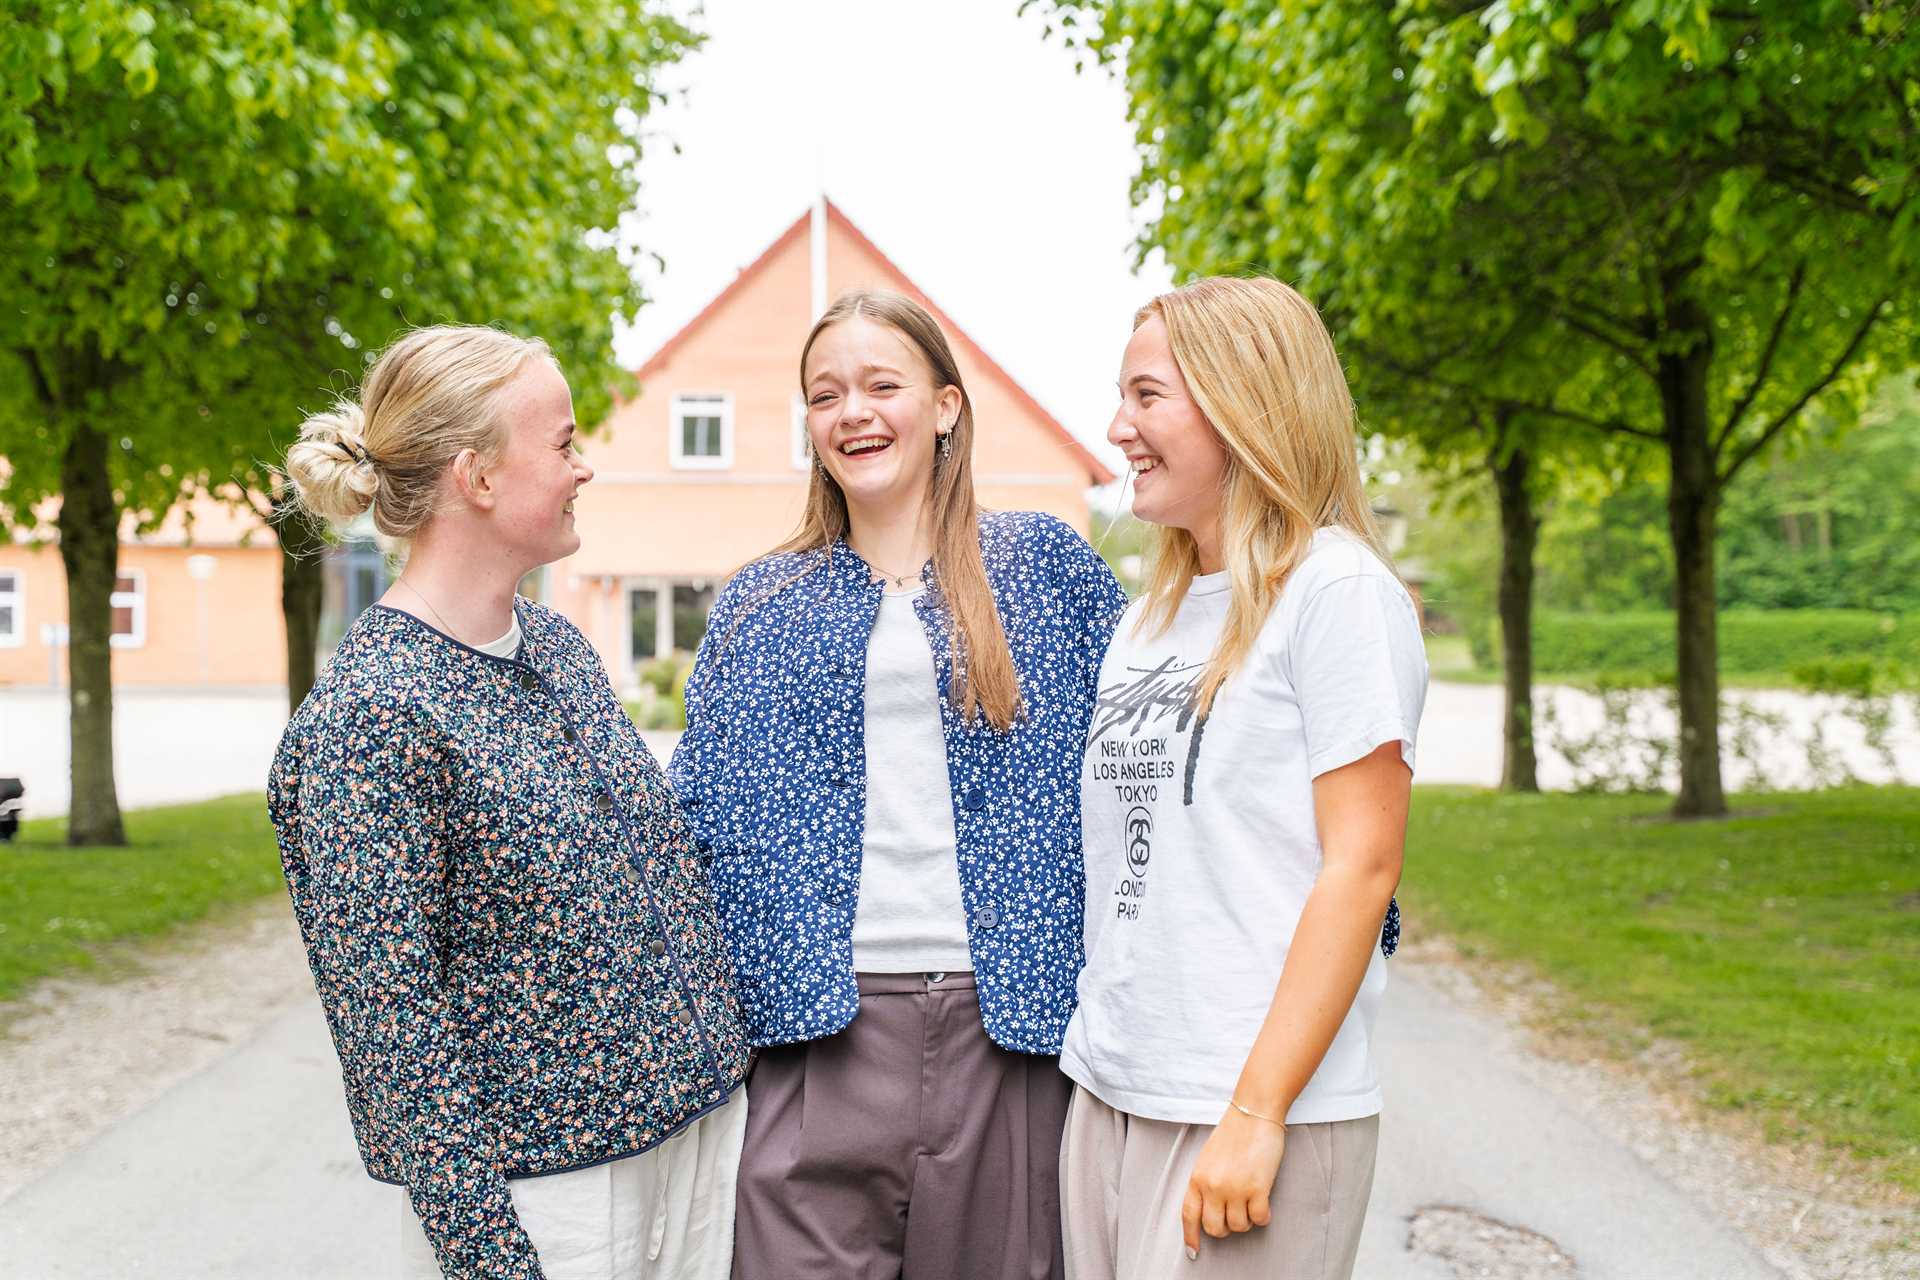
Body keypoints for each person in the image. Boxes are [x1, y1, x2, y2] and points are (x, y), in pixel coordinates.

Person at [267, 324, 750, 1280]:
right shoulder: (373, 714)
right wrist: (488, 1256)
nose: (584, 468)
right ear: (478, 476)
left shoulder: (557, 648)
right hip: (557, 1205)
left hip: (691, 1149)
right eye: (564, 444)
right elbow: (393, 1026)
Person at [668, 289, 1127, 1279]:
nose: (854, 413)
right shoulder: (762, 600)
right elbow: (695, 816)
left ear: (947, 405)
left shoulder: (1044, 568)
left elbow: (1147, 758)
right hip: (814, 1033)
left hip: (1008, 1027)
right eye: (826, 394)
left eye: (882, 385)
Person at [1058, 277, 1428, 1279]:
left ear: (1242, 404)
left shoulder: (1336, 591)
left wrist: (1258, 1111)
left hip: (1256, 1109)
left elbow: (1363, 866)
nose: (1118, 428)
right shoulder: (1151, 616)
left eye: (1146, 396)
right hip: (1116, 1090)